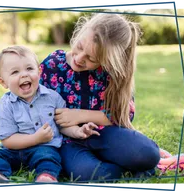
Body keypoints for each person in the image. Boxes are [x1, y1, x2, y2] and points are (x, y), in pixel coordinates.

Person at [39, 13, 162, 182]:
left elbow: (124, 115)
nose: (80, 58)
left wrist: (79, 115)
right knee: (94, 174)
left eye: (91, 58)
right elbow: (36, 105)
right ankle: (130, 169)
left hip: (104, 134)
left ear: (107, 60)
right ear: (80, 32)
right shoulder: (53, 64)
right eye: (80, 46)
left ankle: (135, 164)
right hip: (68, 141)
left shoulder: (112, 73)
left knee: (148, 154)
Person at [0, 45, 100, 184]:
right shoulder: (6, 103)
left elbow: (62, 125)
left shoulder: (52, 97)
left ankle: (45, 179)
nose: (24, 74)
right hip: (14, 151)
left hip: (44, 148)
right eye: (15, 72)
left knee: (49, 159)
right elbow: (7, 140)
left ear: (39, 72)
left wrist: (77, 131)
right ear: (3, 82)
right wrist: (35, 138)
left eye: (29, 68)